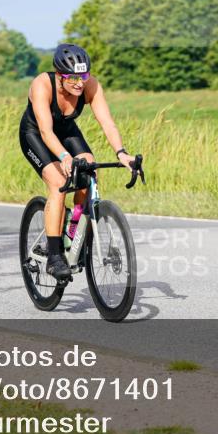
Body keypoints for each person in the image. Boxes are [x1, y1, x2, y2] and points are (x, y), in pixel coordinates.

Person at [18, 43, 136, 280]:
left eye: (83, 75)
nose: (80, 83)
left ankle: (72, 231)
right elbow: (46, 132)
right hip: (36, 134)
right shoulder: (42, 85)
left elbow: (107, 122)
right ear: (60, 76)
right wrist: (64, 157)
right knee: (59, 182)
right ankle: (53, 256)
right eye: (73, 77)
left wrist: (121, 153)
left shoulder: (90, 85)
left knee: (89, 170)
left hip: (67, 131)